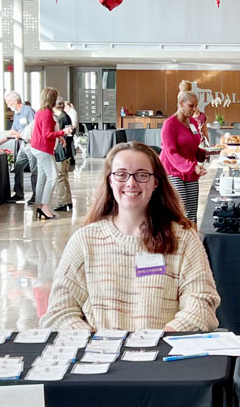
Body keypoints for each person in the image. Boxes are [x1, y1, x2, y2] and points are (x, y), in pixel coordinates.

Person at [41, 142, 221, 331]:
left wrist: (155, 341)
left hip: (162, 355)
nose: (131, 183)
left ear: (156, 182)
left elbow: (201, 304)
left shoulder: (183, 239)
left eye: (142, 175)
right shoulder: (85, 240)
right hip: (100, 356)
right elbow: (60, 311)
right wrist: (95, 342)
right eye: (121, 174)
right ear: (110, 180)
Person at [161, 90, 218, 221]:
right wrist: (194, 167)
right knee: (180, 211)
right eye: (191, 106)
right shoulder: (169, 125)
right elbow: (171, 152)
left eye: (196, 105)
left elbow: (191, 147)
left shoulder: (192, 122)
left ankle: (193, 239)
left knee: (192, 213)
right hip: (173, 171)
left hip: (190, 172)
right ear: (181, 103)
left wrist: (206, 153)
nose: (194, 109)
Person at [30, 87, 74, 221]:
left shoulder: (40, 112)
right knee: (53, 176)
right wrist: (63, 133)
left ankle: (39, 205)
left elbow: (45, 131)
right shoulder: (47, 114)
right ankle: (45, 207)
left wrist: (58, 137)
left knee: (42, 178)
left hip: (37, 147)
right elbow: (47, 134)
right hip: (43, 149)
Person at [4, 91, 38, 204]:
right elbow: (13, 130)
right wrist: (0, 142)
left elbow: (34, 127)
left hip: (31, 144)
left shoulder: (27, 111)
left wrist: (21, 134)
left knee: (34, 170)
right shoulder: (16, 114)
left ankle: (36, 195)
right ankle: (19, 193)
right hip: (23, 145)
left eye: (8, 102)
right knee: (18, 168)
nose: (7, 105)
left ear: (15, 101)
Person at [50, 98, 75, 212]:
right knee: (64, 177)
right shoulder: (66, 116)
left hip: (61, 151)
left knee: (60, 177)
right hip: (67, 151)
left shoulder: (60, 119)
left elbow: (57, 135)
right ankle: (67, 200)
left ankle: (63, 201)